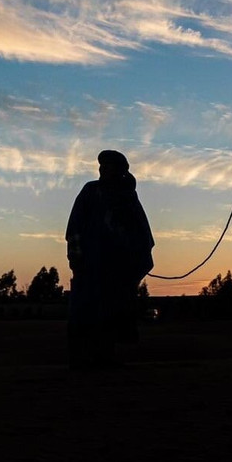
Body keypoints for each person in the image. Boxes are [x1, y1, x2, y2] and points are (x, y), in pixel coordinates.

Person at [66, 150, 154, 368]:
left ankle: (106, 355)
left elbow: (141, 230)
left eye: (107, 167)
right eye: (101, 167)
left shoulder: (127, 197)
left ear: (119, 170)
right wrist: (76, 255)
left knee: (112, 310)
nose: (101, 170)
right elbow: (75, 224)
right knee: (87, 310)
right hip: (91, 265)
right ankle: (84, 358)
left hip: (117, 267)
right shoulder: (91, 191)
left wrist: (136, 255)